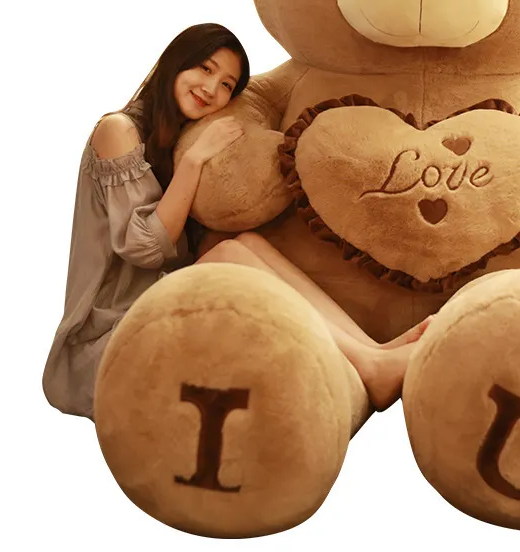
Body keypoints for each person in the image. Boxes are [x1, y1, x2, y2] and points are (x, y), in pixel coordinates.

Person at [43, 23, 430, 421]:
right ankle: (371, 365)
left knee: (246, 243)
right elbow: (144, 249)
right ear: (175, 63)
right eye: (205, 69)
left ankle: (371, 350)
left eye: (227, 84)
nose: (212, 89)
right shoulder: (118, 130)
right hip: (109, 337)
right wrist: (195, 161)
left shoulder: (174, 136)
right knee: (229, 254)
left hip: (154, 305)